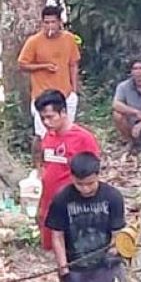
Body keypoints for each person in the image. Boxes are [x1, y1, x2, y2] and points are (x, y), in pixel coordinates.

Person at [44, 153, 127, 282]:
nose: (85, 189)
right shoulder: (62, 199)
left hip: (105, 267)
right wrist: (63, 268)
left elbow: (117, 233)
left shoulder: (113, 197)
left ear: (98, 175)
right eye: (79, 184)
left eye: (90, 183)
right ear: (72, 177)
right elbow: (57, 236)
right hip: (75, 267)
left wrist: (112, 254)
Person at [35, 89, 101, 255]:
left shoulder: (83, 138)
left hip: (74, 205)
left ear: (63, 112)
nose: (46, 122)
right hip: (50, 204)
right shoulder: (48, 138)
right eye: (43, 118)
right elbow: (45, 168)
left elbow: (93, 173)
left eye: (50, 117)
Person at [18, 5, 81, 144]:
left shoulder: (69, 39)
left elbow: (73, 64)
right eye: (46, 22)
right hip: (42, 96)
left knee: (66, 133)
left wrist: (74, 90)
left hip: (65, 95)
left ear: (60, 22)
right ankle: (41, 164)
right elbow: (22, 64)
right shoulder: (34, 41)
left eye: (53, 22)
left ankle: (64, 163)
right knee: (43, 136)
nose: (50, 26)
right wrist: (43, 67)